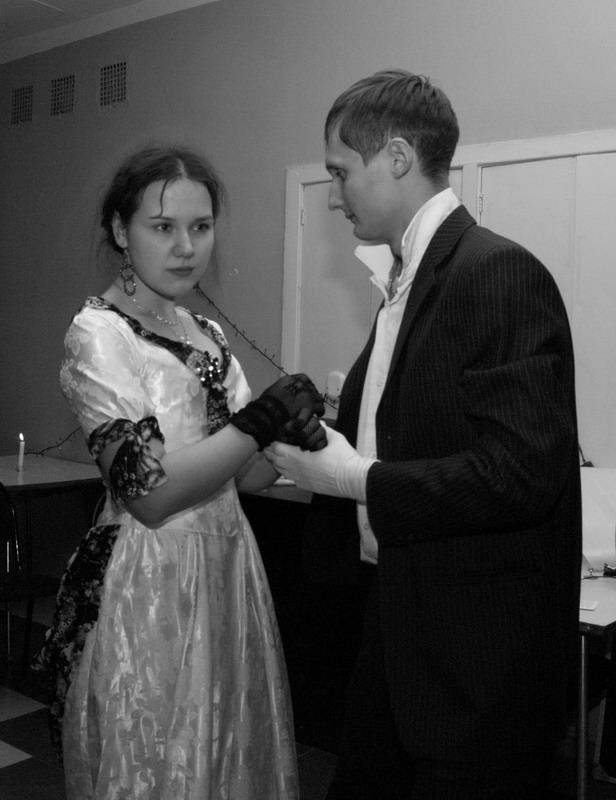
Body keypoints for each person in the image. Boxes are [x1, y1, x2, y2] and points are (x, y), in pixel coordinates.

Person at [266, 70, 582, 799]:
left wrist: (351, 477)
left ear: (399, 157)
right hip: (400, 624)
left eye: (341, 172)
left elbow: (519, 476)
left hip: (474, 663)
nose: (334, 194)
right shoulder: (403, 284)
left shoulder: (495, 272)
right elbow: (411, 431)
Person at [35, 144, 326, 800]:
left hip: (228, 571)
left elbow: (245, 480)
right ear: (121, 230)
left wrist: (284, 440)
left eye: (201, 226)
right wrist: (256, 423)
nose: (186, 247)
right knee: (158, 762)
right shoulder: (99, 334)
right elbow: (147, 493)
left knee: (226, 759)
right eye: (162, 227)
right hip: (148, 578)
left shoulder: (207, 335)